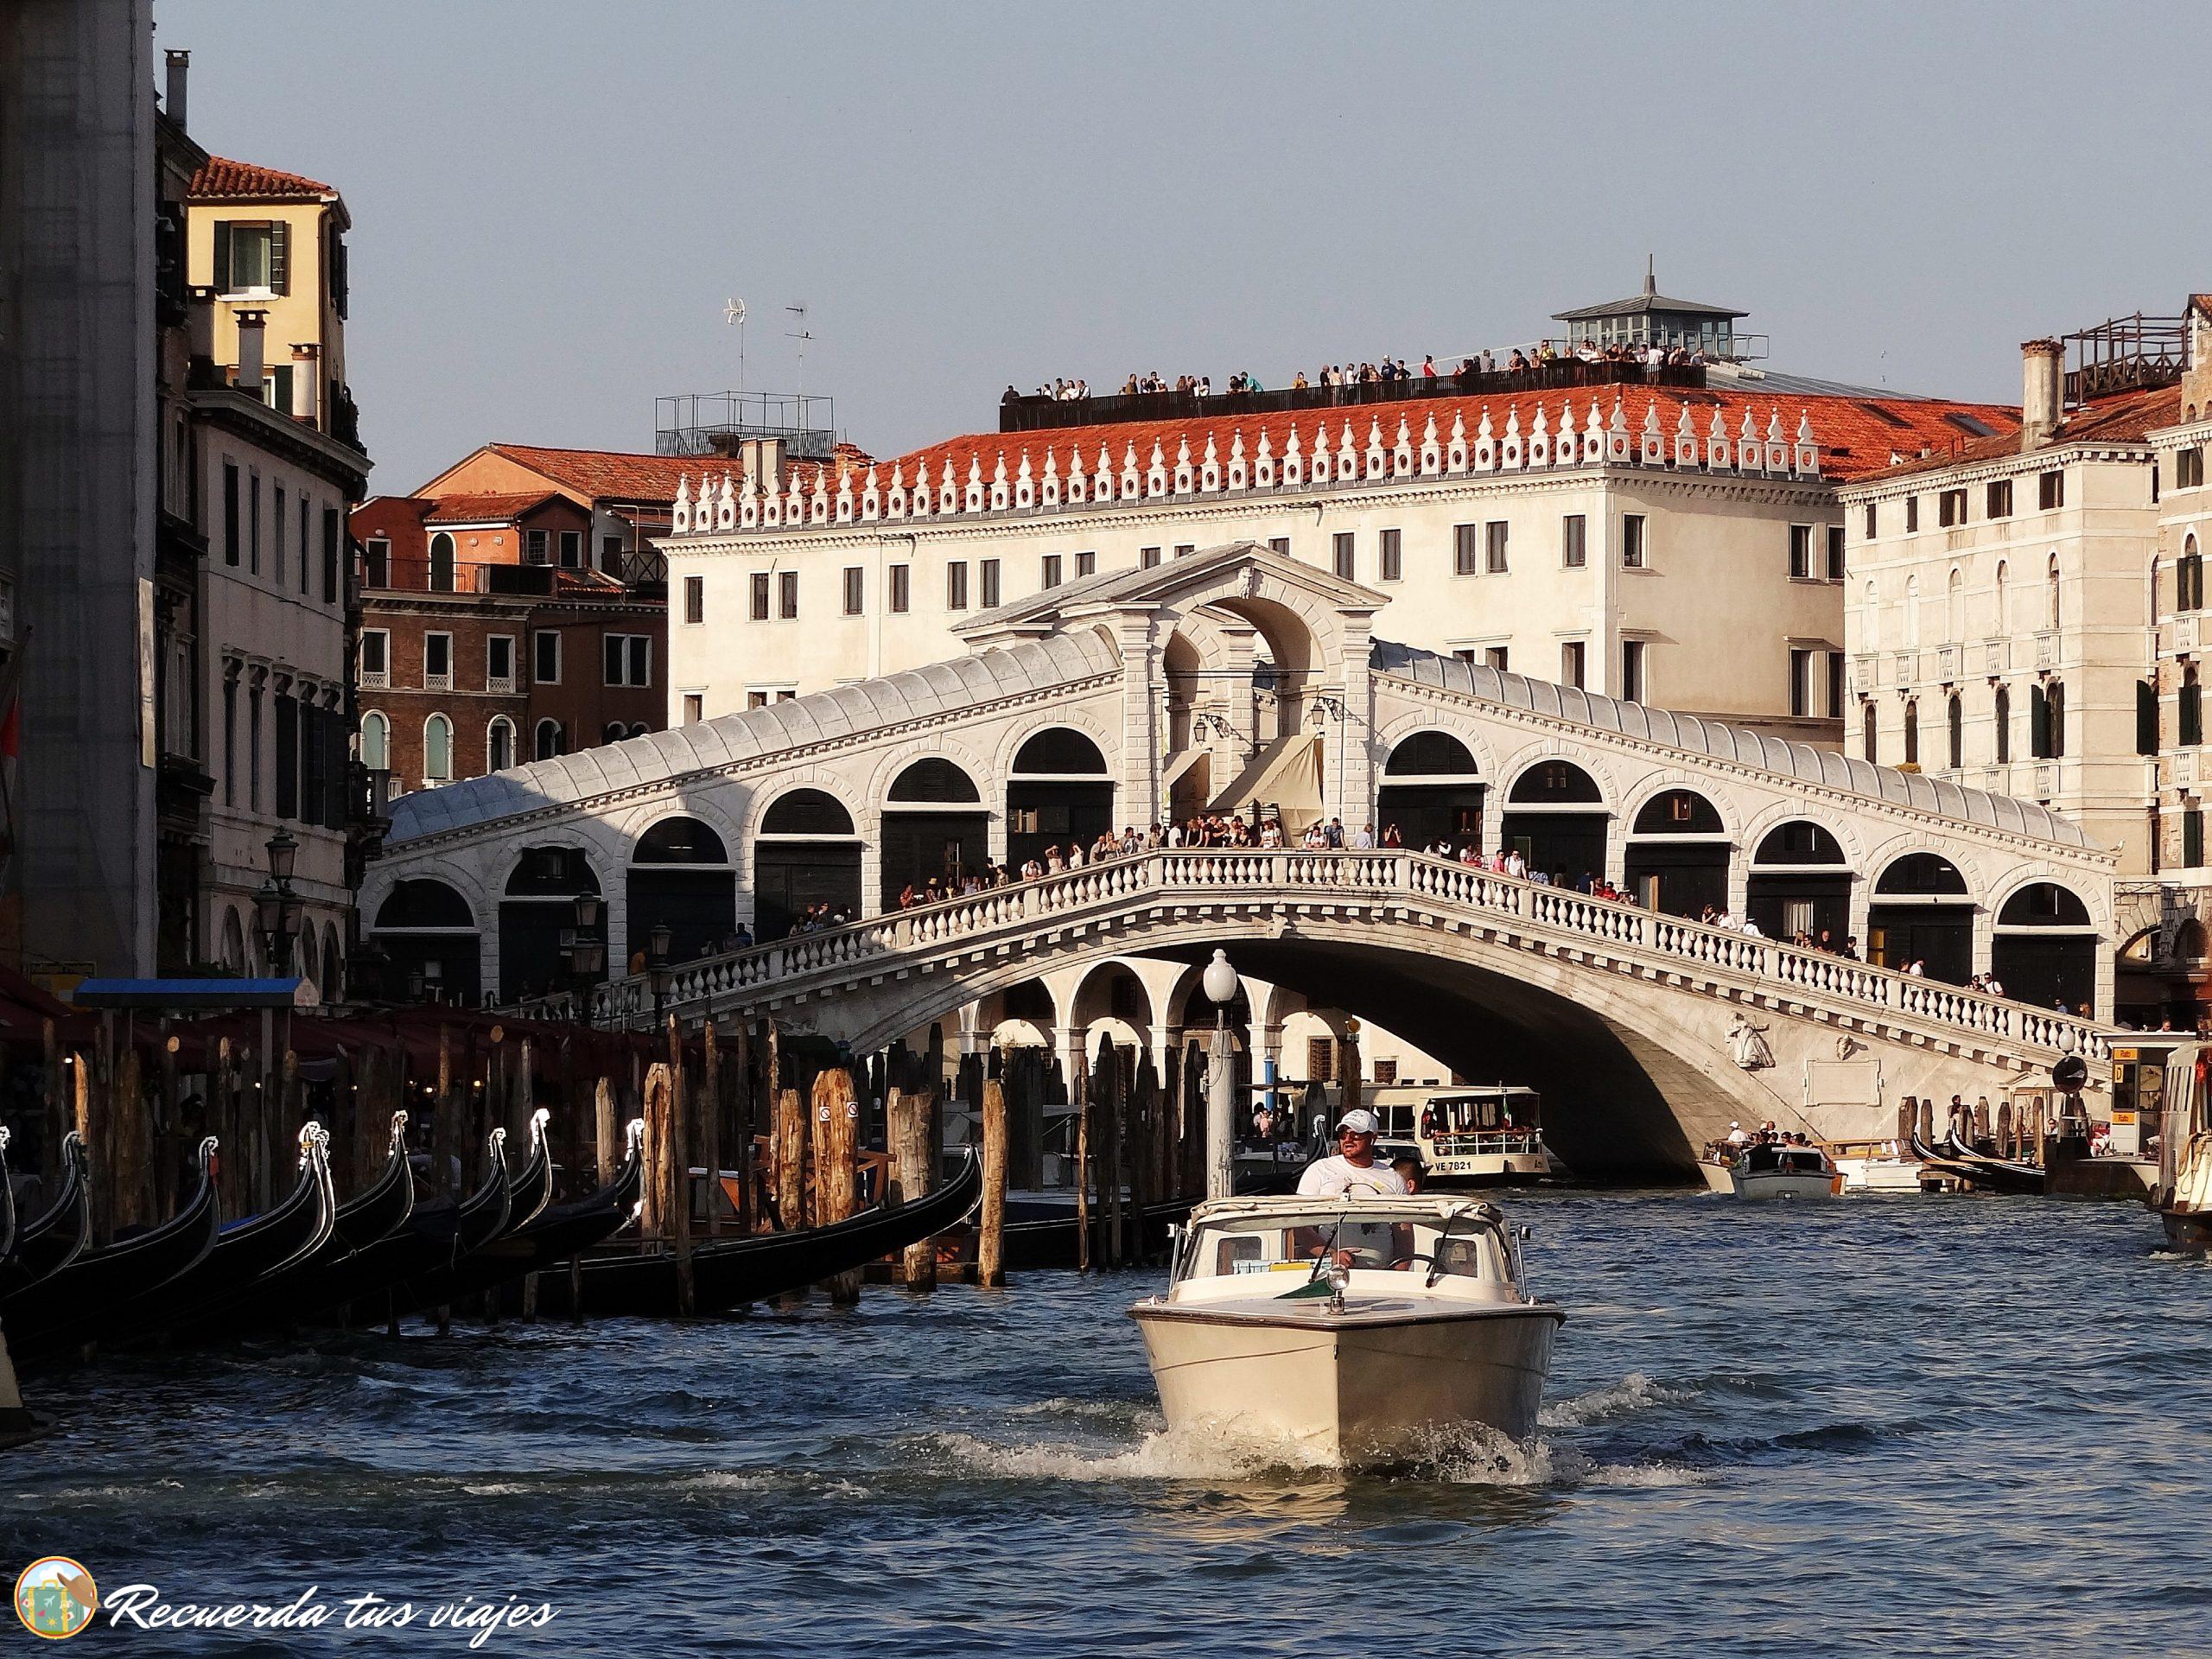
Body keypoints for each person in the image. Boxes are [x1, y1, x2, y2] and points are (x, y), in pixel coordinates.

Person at [1296, 1109, 1411, 1196]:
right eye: (1343, 1133)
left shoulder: (1394, 1179)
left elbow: (1403, 1220)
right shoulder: (1320, 1170)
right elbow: (1301, 1215)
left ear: (1373, 1138)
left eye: (1356, 1134)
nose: (1348, 1139)